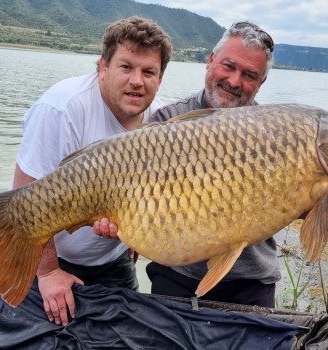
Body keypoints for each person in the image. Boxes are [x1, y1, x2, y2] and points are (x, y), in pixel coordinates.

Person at [95, 21, 278, 307]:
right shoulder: (165, 121)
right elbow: (134, 195)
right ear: (210, 61)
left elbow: (302, 207)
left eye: (249, 75)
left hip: (251, 282)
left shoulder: (275, 134)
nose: (234, 81)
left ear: (261, 82)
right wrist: (120, 224)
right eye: (228, 66)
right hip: (176, 277)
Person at [11, 16, 172, 326]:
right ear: (103, 67)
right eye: (126, 67)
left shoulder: (160, 120)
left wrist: (136, 235)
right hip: (48, 254)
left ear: (159, 78)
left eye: (148, 71)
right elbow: (23, 198)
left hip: (111, 258)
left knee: (128, 332)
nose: (137, 81)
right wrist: (47, 272)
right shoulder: (62, 107)